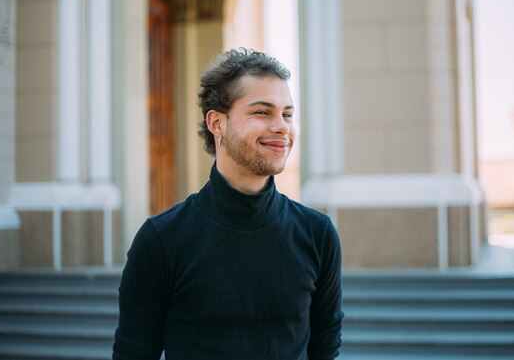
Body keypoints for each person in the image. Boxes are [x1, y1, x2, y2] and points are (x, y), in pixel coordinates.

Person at [113, 48, 343, 360]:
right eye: (263, 112)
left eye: (287, 114)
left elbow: (325, 350)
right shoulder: (162, 239)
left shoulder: (317, 234)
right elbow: (134, 353)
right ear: (217, 123)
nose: (282, 127)